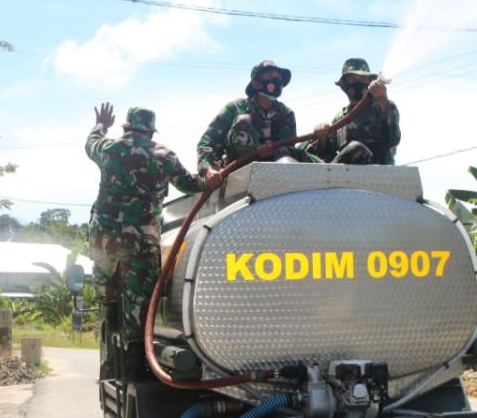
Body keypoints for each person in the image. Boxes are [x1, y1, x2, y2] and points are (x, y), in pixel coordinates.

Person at [86, 104, 215, 355]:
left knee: (103, 276)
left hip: (106, 235)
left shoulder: (110, 148)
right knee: (140, 301)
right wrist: (212, 178)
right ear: (151, 132)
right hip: (142, 239)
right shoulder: (164, 156)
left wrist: (101, 125)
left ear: (128, 127)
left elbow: (91, 141)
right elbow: (190, 184)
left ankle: (108, 302)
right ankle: (136, 353)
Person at [197, 60, 316, 172]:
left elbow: (289, 148)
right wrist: (208, 170)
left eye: (278, 77)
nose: (277, 80)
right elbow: (207, 143)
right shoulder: (235, 108)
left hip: (276, 170)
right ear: (257, 84)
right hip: (238, 170)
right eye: (270, 77)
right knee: (243, 121)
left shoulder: (286, 114)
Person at [302, 58, 400, 165]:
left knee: (356, 148)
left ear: (369, 82)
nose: (358, 82)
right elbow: (327, 152)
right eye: (352, 79)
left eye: (363, 79)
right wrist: (322, 135)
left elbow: (394, 139)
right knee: (301, 151)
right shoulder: (340, 117)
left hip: (378, 172)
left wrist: (383, 100)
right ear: (344, 85)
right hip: (346, 175)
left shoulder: (382, 106)